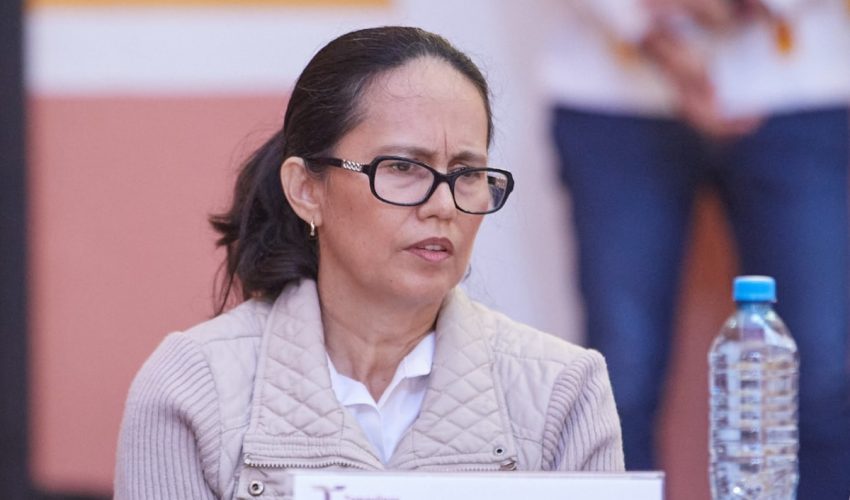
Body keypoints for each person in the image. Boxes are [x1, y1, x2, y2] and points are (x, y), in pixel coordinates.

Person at [114, 26, 624, 499]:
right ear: (306, 190)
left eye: (466, 173)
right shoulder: (193, 387)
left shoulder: (563, 390)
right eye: (402, 166)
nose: (443, 205)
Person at [541, 0, 850, 497]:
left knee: (822, 372)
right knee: (621, 373)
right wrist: (639, 23)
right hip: (612, 92)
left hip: (799, 85)